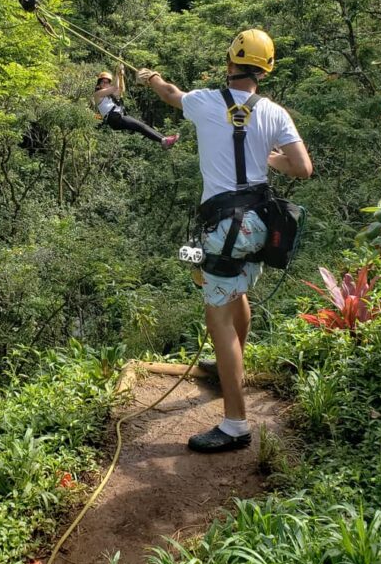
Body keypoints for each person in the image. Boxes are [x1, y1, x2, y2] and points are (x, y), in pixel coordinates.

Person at [138, 29, 312, 453]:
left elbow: (171, 94)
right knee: (238, 295)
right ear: (265, 70)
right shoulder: (275, 113)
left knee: (218, 320)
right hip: (257, 222)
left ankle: (235, 424)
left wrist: (151, 78)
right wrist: (268, 158)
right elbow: (302, 168)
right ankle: (227, 366)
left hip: (223, 225)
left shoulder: (205, 101)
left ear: (230, 61)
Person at [94, 69, 179, 149]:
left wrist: (121, 75)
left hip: (118, 117)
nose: (105, 84)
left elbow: (120, 89)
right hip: (114, 118)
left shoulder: (110, 95)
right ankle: (164, 140)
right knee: (140, 126)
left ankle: (163, 140)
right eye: (103, 82)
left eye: (107, 82)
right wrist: (117, 72)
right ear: (99, 84)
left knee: (141, 126)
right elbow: (115, 87)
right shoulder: (98, 94)